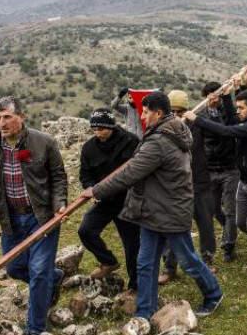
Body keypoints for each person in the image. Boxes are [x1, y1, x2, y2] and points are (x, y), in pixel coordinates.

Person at [81, 92, 222, 327]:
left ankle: (214, 294)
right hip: (153, 210)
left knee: (187, 259)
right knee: (145, 263)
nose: (142, 116)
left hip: (169, 210)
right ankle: (145, 311)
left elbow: (129, 172)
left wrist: (96, 190)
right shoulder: (167, 131)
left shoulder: (159, 141)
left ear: (157, 113)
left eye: (145, 112)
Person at [0, 96, 67, 335]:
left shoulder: (44, 142)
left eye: (7, 117)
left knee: (38, 272)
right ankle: (55, 277)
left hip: (41, 217)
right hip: (10, 220)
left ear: (21, 117)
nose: (2, 123)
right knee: (15, 268)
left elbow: (58, 176)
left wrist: (59, 204)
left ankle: (35, 328)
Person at [184, 85, 247, 282]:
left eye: (241, 107)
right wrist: (226, 96)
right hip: (245, 181)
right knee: (240, 222)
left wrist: (197, 119)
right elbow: (234, 122)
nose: (237, 111)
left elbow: (227, 131)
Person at [158, 90, 217, 284]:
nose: (176, 115)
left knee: (205, 223)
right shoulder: (162, 129)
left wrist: (206, 112)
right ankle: (169, 267)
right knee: (172, 226)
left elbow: (217, 130)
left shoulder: (197, 124)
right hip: (174, 186)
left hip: (199, 181)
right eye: (172, 111)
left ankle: (207, 260)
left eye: (179, 111)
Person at [77, 108, 140, 290]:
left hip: (127, 201)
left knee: (132, 245)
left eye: (101, 128)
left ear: (111, 126)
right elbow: (85, 174)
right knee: (86, 230)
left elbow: (137, 171)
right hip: (104, 201)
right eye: (94, 128)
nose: (97, 132)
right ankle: (108, 261)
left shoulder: (130, 141)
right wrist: (89, 187)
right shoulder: (89, 148)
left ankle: (135, 286)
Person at [198, 81, 240, 262]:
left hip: (230, 168)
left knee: (230, 209)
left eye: (214, 93)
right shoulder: (200, 114)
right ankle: (228, 229)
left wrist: (226, 98)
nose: (212, 97)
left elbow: (228, 128)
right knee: (214, 209)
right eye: (208, 94)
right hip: (210, 169)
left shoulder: (227, 111)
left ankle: (229, 245)